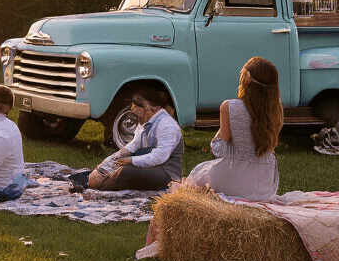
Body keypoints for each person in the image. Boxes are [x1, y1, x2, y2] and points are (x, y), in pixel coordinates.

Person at [184, 56, 282, 200]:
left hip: (234, 179)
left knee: (197, 176)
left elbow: (221, 149)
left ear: (247, 79)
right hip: (264, 184)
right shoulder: (276, 110)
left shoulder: (229, 107)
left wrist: (216, 138)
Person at [80, 93, 184, 191]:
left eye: (138, 115)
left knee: (125, 172)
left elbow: (159, 157)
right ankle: (90, 182)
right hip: (152, 165)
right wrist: (104, 165)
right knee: (112, 168)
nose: (136, 119)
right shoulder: (145, 121)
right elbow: (133, 146)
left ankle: (98, 188)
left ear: (148, 109)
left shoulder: (168, 126)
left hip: (166, 172)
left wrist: (130, 161)